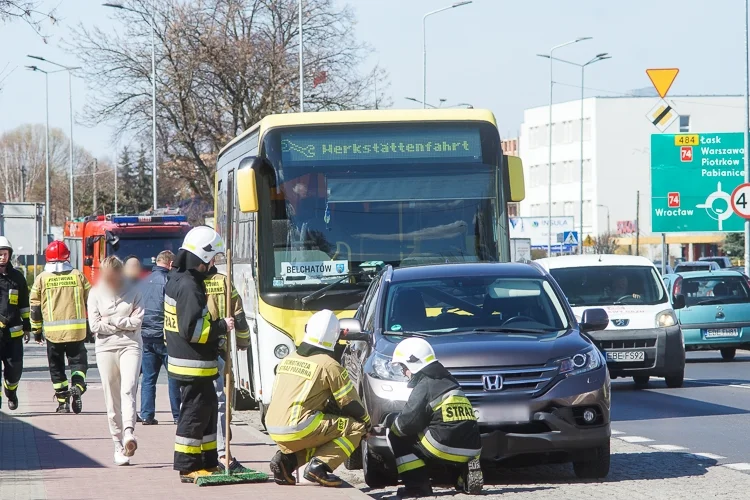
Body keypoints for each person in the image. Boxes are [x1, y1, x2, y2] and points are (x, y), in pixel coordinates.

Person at [267, 309, 370, 488]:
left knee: (322, 432)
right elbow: (350, 403)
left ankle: (286, 461)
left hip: (273, 425)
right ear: (335, 337)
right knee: (355, 428)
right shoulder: (329, 365)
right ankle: (319, 467)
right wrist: (367, 423)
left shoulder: (288, 358)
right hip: (298, 425)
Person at [165, 226, 233, 483]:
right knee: (194, 414)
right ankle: (187, 465)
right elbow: (193, 330)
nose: (213, 264)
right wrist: (221, 326)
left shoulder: (178, 279)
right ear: (202, 258)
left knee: (206, 410)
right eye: (212, 258)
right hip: (193, 363)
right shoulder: (189, 286)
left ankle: (207, 460)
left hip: (192, 363)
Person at [387, 337, 482, 498]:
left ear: (413, 363)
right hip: (473, 448)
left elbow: (407, 423)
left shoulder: (425, 384)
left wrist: (391, 424)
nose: (403, 372)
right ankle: (462, 476)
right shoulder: (450, 380)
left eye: (404, 366)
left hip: (442, 446)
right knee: (440, 430)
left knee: (398, 437)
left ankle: (417, 486)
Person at [87, 256, 144, 466]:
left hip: (131, 345)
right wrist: (122, 324)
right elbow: (94, 325)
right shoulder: (95, 293)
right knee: (111, 394)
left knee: (128, 388)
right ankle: (117, 443)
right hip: (105, 347)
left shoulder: (135, 290)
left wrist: (110, 320)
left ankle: (129, 432)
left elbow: (137, 321)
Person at [30, 241, 91, 414]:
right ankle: (78, 387)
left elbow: (34, 307)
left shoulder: (42, 278)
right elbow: (91, 300)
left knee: (56, 367)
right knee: (78, 364)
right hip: (77, 332)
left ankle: (63, 402)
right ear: (67, 256)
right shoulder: (78, 275)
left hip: (52, 334)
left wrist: (36, 331)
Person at [204, 263, 251, 471]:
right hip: (220, 348)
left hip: (195, 349)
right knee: (221, 400)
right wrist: (243, 342)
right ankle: (223, 449)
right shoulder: (224, 281)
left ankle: (213, 449)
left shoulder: (189, 281)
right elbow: (239, 314)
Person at [138, 250, 181, 425]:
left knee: (148, 378)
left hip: (145, 336)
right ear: (170, 264)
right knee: (174, 377)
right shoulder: (169, 282)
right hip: (165, 337)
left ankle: (147, 415)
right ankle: (178, 416)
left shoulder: (143, 281)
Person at [0, 237, 30, 410]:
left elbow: (24, 304)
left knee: (15, 370)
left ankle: (11, 392)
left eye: (4, 254)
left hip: (13, 334)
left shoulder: (17, 277)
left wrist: (27, 327)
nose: (2, 257)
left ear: (9, 255)